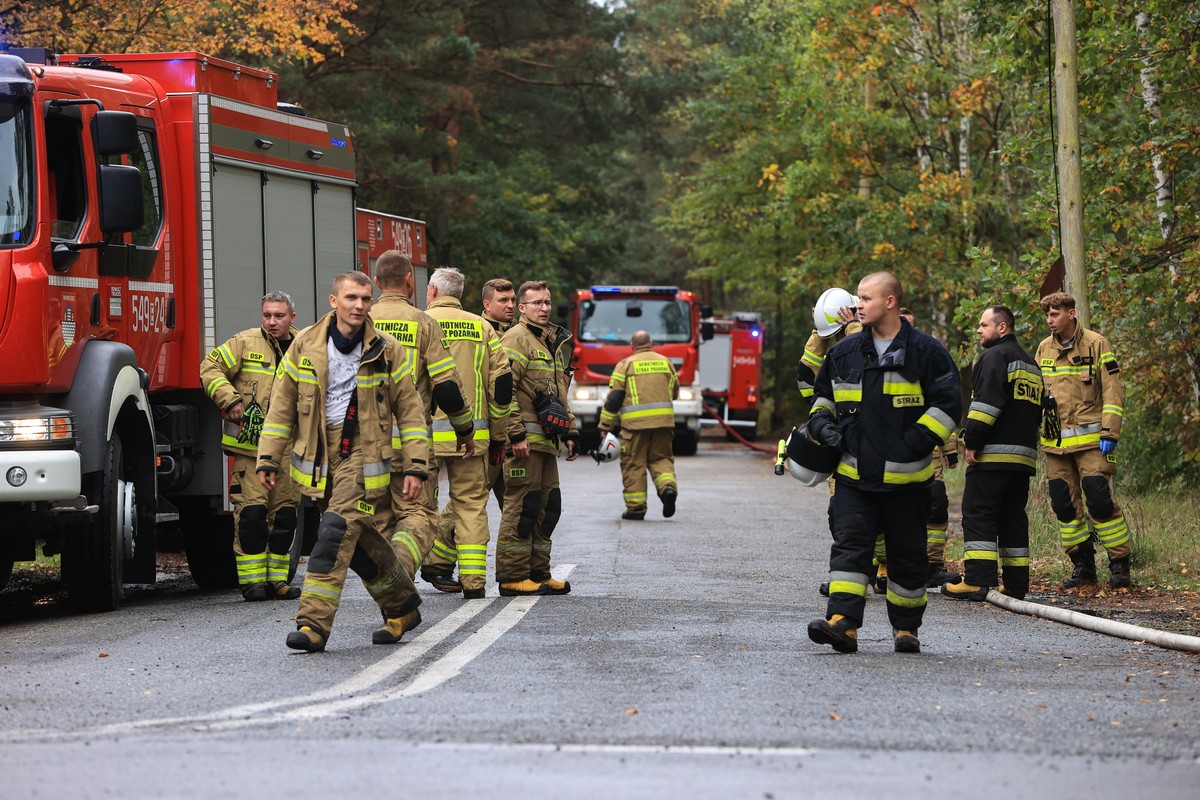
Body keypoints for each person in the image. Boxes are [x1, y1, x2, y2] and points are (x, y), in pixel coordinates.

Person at [257, 271, 429, 653]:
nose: (359, 306)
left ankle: (313, 624)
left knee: (334, 532)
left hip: (364, 455)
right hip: (320, 457)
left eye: (365, 299)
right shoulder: (304, 346)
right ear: (334, 301)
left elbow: (412, 412)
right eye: (351, 298)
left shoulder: (386, 349)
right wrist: (268, 457)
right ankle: (402, 605)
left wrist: (417, 465)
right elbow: (281, 407)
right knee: (361, 541)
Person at [806, 271, 962, 654]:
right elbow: (822, 400)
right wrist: (826, 429)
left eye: (865, 298)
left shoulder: (926, 352)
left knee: (908, 556)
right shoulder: (843, 353)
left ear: (890, 302)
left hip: (908, 482)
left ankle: (906, 629)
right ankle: (842, 623)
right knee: (849, 549)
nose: (858, 305)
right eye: (858, 298)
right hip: (854, 478)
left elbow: (948, 404)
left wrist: (916, 442)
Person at [369, 252, 474, 592]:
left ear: (375, 282)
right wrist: (465, 430)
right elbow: (446, 386)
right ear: (411, 281)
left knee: (381, 519)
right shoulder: (422, 322)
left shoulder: (358, 321)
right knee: (419, 517)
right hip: (410, 445)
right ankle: (398, 578)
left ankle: (388, 589)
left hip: (365, 447)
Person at [200, 291, 303, 601]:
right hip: (251, 450)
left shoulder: (305, 348)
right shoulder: (244, 343)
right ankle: (252, 583)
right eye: (267, 315)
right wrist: (229, 400)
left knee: (284, 518)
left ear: (291, 318)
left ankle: (278, 581)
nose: (272, 322)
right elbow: (209, 368)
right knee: (252, 516)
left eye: (279, 316)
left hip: (290, 450)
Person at [420, 268, 512, 599]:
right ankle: (473, 583)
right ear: (459, 293)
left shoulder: (419, 323)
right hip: (471, 437)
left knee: (416, 510)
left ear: (432, 291)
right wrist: (499, 436)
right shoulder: (482, 327)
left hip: (420, 437)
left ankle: (400, 585)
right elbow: (501, 386)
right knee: (471, 505)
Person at [944, 305, 1042, 601]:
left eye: (983, 325)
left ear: (1002, 328)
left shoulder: (993, 357)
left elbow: (986, 405)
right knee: (1013, 518)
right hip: (1023, 458)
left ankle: (977, 580)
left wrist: (972, 440)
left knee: (979, 513)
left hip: (994, 455)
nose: (978, 330)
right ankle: (1015, 585)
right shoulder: (1031, 364)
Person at [1036, 292, 1131, 588]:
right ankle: (1083, 566)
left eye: (1055, 314)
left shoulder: (1096, 343)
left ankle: (1119, 565)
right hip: (1056, 446)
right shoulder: (1043, 349)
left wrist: (1110, 432)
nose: (1050, 321)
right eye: (1047, 316)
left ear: (1071, 313)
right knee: (1064, 505)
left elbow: (1114, 389)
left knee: (1100, 501)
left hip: (1093, 442)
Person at [496, 280, 580, 595]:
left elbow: (558, 394)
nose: (544, 308)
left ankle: (538, 573)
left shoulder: (547, 343)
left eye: (546, 302)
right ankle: (512, 576)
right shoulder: (516, 339)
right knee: (522, 507)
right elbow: (503, 392)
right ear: (522, 307)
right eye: (536, 303)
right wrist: (515, 433)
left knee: (548, 506)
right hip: (524, 444)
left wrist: (570, 431)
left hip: (547, 443)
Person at [899, 307, 961, 589]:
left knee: (936, 504)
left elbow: (943, 402)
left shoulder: (927, 358)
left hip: (927, 447)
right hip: (891, 448)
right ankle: (882, 567)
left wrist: (949, 447)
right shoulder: (879, 357)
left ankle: (932, 565)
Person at [598, 330, 680, 520]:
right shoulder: (666, 362)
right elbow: (674, 393)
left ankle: (636, 508)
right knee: (662, 459)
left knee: (634, 464)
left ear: (632, 346)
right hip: (664, 424)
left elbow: (615, 399)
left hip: (634, 427)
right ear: (651, 342)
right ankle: (667, 489)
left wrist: (605, 426)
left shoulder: (625, 365)